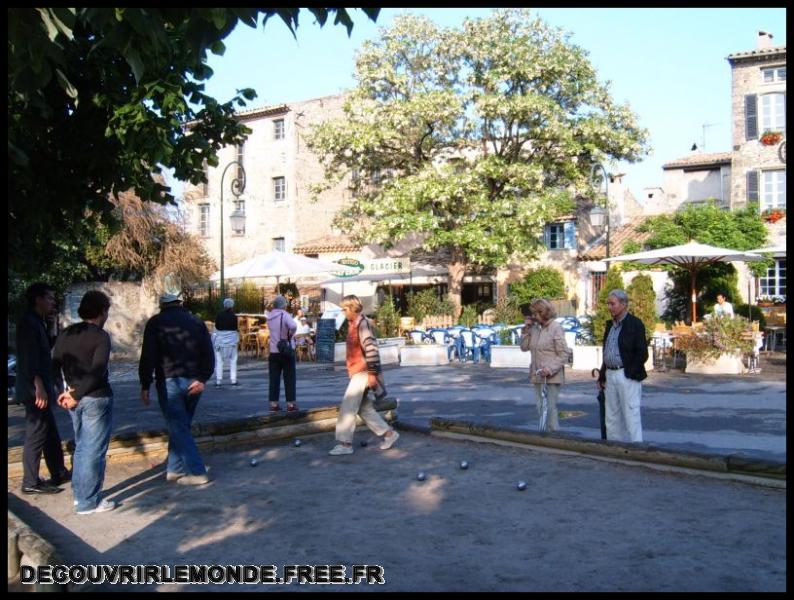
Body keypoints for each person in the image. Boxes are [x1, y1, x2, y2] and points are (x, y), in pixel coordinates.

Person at [139, 293, 215, 485]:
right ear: (180, 304)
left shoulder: (156, 322)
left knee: (178, 426)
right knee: (181, 425)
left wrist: (145, 383)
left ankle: (197, 472)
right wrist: (203, 378)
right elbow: (208, 352)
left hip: (169, 379)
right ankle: (175, 469)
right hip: (194, 379)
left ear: (162, 306)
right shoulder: (197, 322)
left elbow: (148, 355)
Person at [52, 291, 116, 514]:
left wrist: (64, 392)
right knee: (93, 450)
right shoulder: (100, 336)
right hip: (94, 397)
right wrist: (76, 395)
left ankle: (81, 496)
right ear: (102, 311)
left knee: (81, 447)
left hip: (73, 397)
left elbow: (54, 364)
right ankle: (89, 501)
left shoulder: (66, 333)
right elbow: (97, 371)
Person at [16, 283, 70, 495]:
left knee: (50, 433)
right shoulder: (28, 323)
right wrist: (38, 386)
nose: (52, 301)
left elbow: (46, 347)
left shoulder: (38, 322)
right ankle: (30, 481)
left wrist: (52, 326)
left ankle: (58, 471)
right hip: (34, 388)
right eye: (49, 297)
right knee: (37, 434)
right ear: (38, 299)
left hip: (41, 385)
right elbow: (29, 358)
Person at [328, 295, 398, 456]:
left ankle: (345, 444)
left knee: (348, 407)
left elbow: (372, 350)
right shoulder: (354, 324)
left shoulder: (362, 324)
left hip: (363, 371)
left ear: (353, 308)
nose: (343, 312)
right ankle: (389, 434)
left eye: (345, 309)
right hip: (358, 371)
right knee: (363, 408)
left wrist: (372, 374)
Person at [597, 289, 648, 443]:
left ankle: (636, 449)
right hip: (610, 374)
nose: (609, 307)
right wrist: (602, 375)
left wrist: (630, 371)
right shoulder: (610, 325)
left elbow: (642, 352)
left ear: (623, 304)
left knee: (631, 414)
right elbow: (607, 352)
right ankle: (614, 449)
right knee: (611, 416)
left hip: (626, 374)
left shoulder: (635, 324)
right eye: (608, 303)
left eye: (613, 303)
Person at [519, 298, 570, 432]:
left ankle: (553, 435)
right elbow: (524, 347)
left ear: (543, 313)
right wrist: (526, 329)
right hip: (537, 375)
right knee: (540, 406)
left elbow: (564, 353)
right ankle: (544, 432)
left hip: (551, 376)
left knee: (550, 407)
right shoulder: (535, 329)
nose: (533, 317)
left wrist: (551, 369)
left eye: (535, 314)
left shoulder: (555, 328)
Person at [266, 295, 298, 412]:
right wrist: (290, 334)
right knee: (289, 377)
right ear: (283, 305)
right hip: (286, 350)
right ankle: (290, 404)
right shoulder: (284, 315)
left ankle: (274, 404)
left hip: (274, 351)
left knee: (274, 378)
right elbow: (293, 325)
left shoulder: (269, 316)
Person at [213, 298, 239, 387]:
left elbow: (216, 327)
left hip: (220, 341)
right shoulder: (234, 316)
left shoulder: (219, 315)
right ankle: (233, 380)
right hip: (232, 341)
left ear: (224, 305)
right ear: (232, 306)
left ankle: (218, 381)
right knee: (233, 361)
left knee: (219, 361)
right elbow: (235, 328)